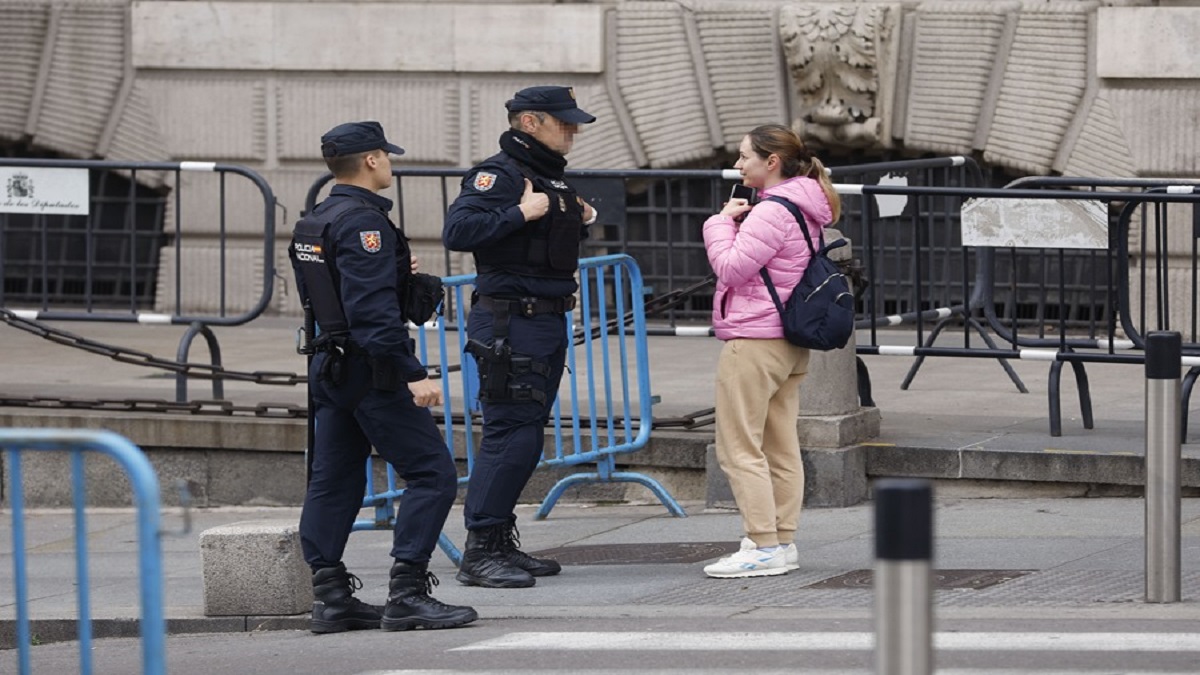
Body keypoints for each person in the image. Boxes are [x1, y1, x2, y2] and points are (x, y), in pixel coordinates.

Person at [289, 121, 477, 631]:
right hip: (373, 370)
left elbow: (330, 296)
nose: (390, 163)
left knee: (333, 481)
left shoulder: (316, 220)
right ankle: (408, 591)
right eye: (386, 156)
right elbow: (370, 313)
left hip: (330, 367)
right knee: (433, 474)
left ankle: (330, 597)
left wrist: (396, 272)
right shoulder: (362, 224)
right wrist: (414, 374)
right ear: (371, 160)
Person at [442, 86, 598, 588]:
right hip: (511, 321)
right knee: (510, 434)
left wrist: (579, 216)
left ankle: (499, 539)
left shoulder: (546, 175)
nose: (572, 129)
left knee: (527, 435)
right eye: (563, 121)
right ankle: (480, 549)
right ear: (529, 122)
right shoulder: (500, 175)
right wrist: (521, 213)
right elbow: (459, 231)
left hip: (544, 319)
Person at [700, 124, 842, 579]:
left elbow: (731, 267)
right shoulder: (805, 206)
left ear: (771, 161)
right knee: (780, 447)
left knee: (739, 447)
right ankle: (781, 541)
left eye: (745, 157)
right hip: (787, 340)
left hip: (755, 341)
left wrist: (719, 222)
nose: (738, 166)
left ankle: (762, 545)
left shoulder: (769, 212)